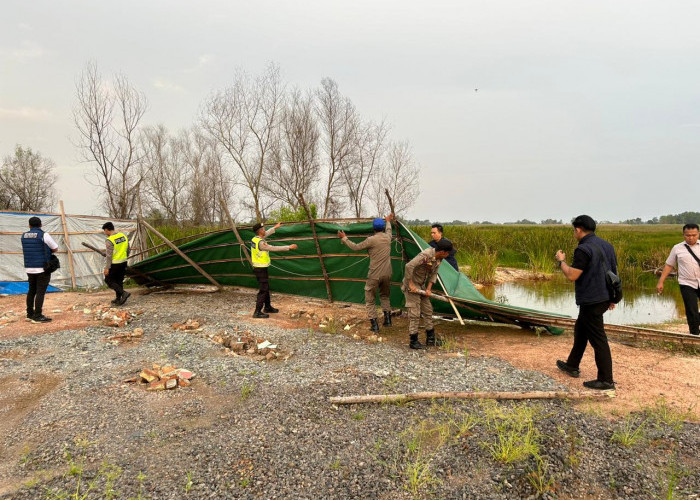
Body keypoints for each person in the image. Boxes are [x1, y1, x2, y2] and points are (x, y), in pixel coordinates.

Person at [555, 215, 617, 390]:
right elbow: (614, 273)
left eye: (574, 230)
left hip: (592, 300)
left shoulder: (583, 249)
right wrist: (612, 298)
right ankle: (572, 365)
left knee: (598, 339)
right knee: (581, 330)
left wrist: (561, 261)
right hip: (603, 297)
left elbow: (572, 275)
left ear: (578, 229)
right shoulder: (607, 245)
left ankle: (606, 380)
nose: (574, 233)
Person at [338, 214, 394, 333]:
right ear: (383, 228)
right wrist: (388, 221)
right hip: (387, 273)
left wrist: (344, 238)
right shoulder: (388, 237)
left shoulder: (371, 240)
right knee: (384, 296)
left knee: (369, 299)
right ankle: (388, 320)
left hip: (375, 274)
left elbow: (356, 247)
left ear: (373, 228)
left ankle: (374, 325)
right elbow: (389, 229)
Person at [402, 238, 453, 349]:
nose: (448, 255)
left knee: (428, 310)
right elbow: (408, 266)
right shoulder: (426, 255)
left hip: (421, 286)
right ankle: (413, 341)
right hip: (412, 286)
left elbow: (434, 274)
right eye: (448, 253)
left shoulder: (439, 259)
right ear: (443, 252)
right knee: (415, 313)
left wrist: (429, 289)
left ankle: (430, 339)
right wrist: (410, 284)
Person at [656, 223, 700, 335]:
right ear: (683, 235)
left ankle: (696, 322)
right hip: (687, 283)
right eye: (688, 235)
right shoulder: (677, 248)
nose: (691, 237)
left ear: (698, 234)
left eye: (694, 235)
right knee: (691, 310)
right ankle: (694, 335)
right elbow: (669, 265)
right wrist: (661, 281)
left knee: (695, 315)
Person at [251, 222, 298, 318]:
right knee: (263, 290)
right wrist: (288, 247)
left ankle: (267, 307)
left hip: (260, 267)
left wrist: (275, 227)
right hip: (260, 269)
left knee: (266, 287)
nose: (265, 230)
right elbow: (273, 248)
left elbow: (266, 234)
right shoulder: (261, 243)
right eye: (263, 229)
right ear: (260, 231)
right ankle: (257, 312)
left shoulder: (255, 239)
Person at [21, 216, 59, 322]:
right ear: (41, 225)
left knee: (31, 291)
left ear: (29, 225)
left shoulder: (24, 236)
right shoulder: (44, 235)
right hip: (42, 268)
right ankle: (37, 316)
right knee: (40, 292)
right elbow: (55, 248)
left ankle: (29, 314)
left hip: (29, 268)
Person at [102, 222, 131, 306]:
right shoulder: (123, 236)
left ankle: (123, 293)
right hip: (124, 262)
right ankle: (118, 299)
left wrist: (107, 268)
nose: (105, 233)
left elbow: (109, 256)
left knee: (108, 280)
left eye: (105, 231)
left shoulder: (109, 240)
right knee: (119, 281)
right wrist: (124, 257)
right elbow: (128, 249)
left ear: (107, 230)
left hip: (115, 264)